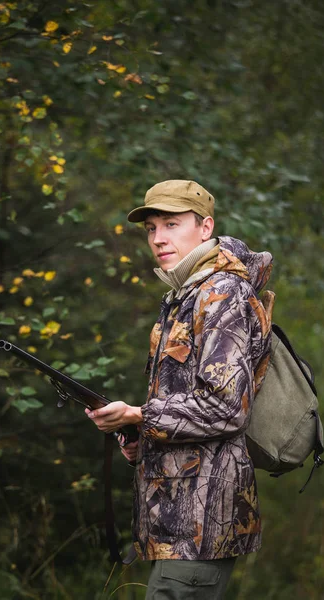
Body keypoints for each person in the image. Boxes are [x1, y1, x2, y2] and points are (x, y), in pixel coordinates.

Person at [85, 180, 273, 599]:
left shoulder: (222, 293)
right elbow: (183, 402)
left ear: (205, 227)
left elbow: (226, 408)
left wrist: (141, 415)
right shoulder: (184, 294)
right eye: (152, 228)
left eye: (172, 224)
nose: (159, 238)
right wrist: (139, 436)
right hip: (177, 520)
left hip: (204, 522)